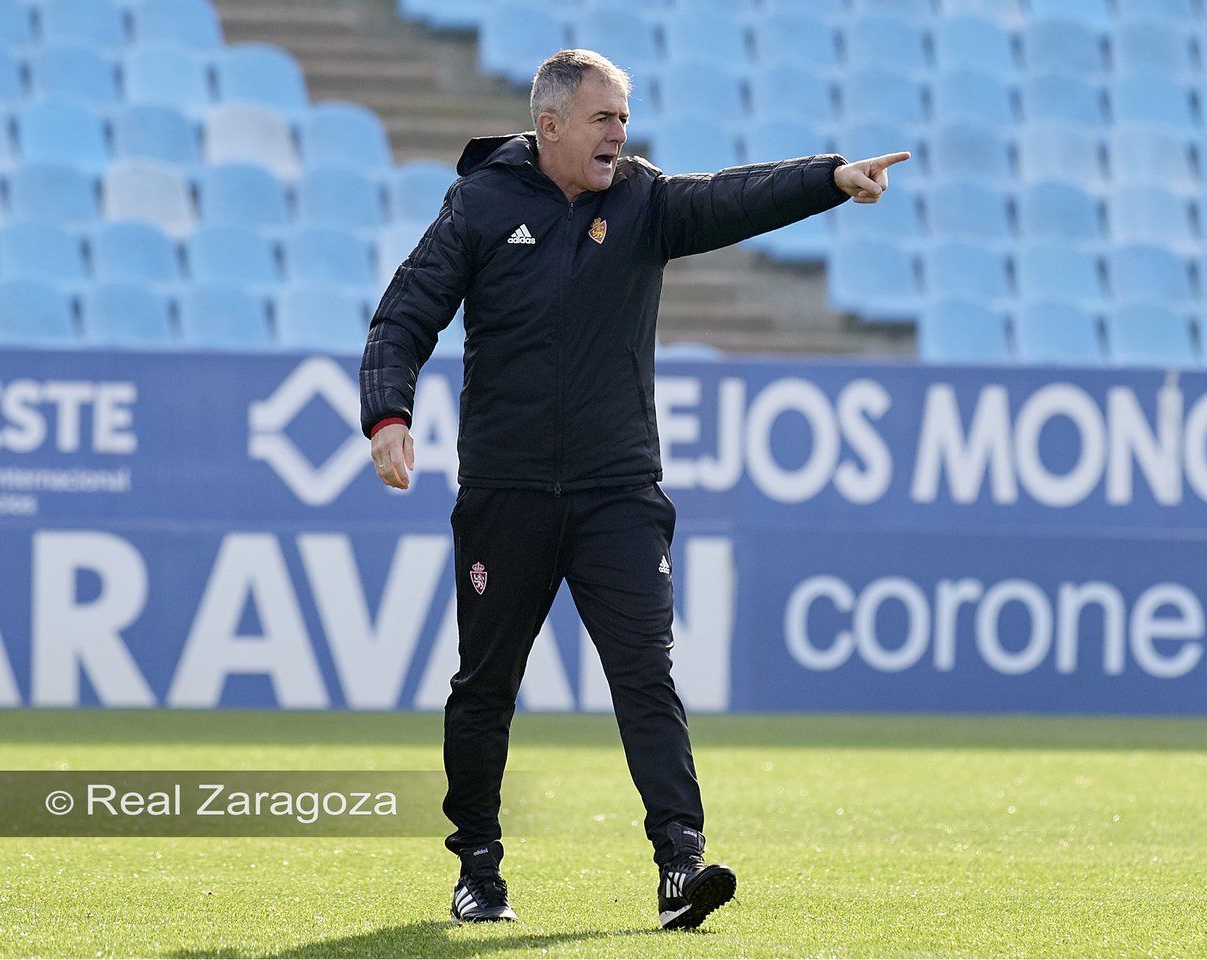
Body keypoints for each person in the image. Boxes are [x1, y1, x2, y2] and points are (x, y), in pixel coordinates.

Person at [359, 49, 909, 929]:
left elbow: (731, 197)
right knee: (486, 685)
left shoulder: (644, 200)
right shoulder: (479, 204)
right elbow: (404, 315)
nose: (621, 133)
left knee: (646, 675)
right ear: (550, 126)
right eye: (604, 118)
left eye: (625, 117)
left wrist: (829, 178)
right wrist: (388, 416)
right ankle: (479, 868)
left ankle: (680, 863)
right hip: (506, 492)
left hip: (619, 490)